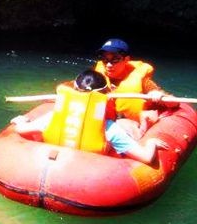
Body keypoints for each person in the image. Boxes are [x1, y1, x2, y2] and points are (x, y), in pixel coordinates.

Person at [11, 69, 170, 165]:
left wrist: (21, 121)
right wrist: (151, 144)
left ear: (74, 90)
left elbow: (21, 129)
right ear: (104, 95)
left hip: (56, 167)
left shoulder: (52, 117)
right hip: (93, 174)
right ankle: (143, 126)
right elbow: (147, 158)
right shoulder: (109, 129)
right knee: (127, 125)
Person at [93, 38, 176, 133]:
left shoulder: (142, 81)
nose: (108, 65)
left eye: (115, 60)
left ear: (126, 60)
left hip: (128, 126)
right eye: (105, 59)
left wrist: (160, 95)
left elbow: (174, 103)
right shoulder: (95, 78)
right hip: (102, 123)